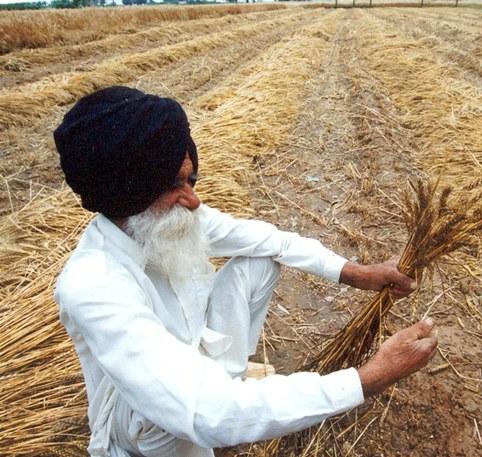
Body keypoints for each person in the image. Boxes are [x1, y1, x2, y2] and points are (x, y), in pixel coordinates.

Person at [53, 86, 438, 457]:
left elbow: (270, 240)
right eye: (174, 185)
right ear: (128, 193)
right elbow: (203, 410)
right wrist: (370, 377)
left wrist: (355, 272)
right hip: (146, 430)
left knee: (259, 258)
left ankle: (233, 391)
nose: (193, 199)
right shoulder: (94, 285)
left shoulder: (170, 217)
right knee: (193, 421)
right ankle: (231, 413)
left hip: (196, 369)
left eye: (191, 179)